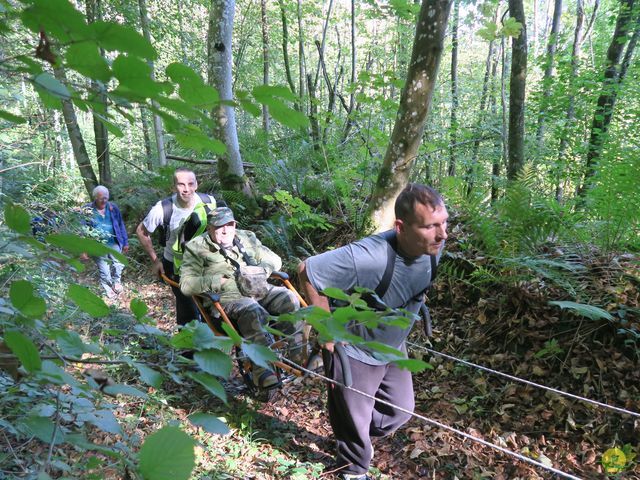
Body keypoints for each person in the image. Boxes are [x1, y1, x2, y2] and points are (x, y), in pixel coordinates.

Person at [298, 183, 448, 480]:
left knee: (400, 411)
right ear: (401, 227)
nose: (443, 234)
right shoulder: (369, 256)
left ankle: (350, 431)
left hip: (392, 345)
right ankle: (352, 468)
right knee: (356, 419)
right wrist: (327, 332)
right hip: (354, 348)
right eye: (431, 226)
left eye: (444, 222)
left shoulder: (433, 247)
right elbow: (307, 271)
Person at [180, 207, 302, 388]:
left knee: (289, 298)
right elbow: (186, 285)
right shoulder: (196, 247)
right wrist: (215, 281)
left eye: (229, 225)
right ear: (209, 228)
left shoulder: (247, 237)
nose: (225, 230)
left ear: (234, 225)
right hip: (228, 300)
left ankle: (298, 355)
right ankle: (262, 371)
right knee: (252, 310)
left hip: (260, 289)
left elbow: (274, 258)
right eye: (219, 226)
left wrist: (264, 269)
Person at [136, 168, 220, 326]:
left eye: (190, 184)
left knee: (212, 309)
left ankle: (211, 345)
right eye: (181, 184)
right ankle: (189, 349)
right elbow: (141, 231)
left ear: (196, 185)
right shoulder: (163, 209)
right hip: (176, 267)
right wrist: (155, 261)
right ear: (174, 187)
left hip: (206, 264)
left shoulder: (209, 202)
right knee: (188, 311)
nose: (186, 189)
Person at [82, 185, 129, 298]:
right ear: (95, 198)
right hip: (97, 246)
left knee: (118, 264)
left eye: (106, 198)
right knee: (105, 270)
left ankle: (117, 282)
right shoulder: (87, 210)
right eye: (101, 198)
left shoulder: (113, 208)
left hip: (114, 242)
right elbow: (82, 230)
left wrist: (125, 242)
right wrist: (83, 249)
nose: (104, 201)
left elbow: (120, 224)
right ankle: (108, 288)